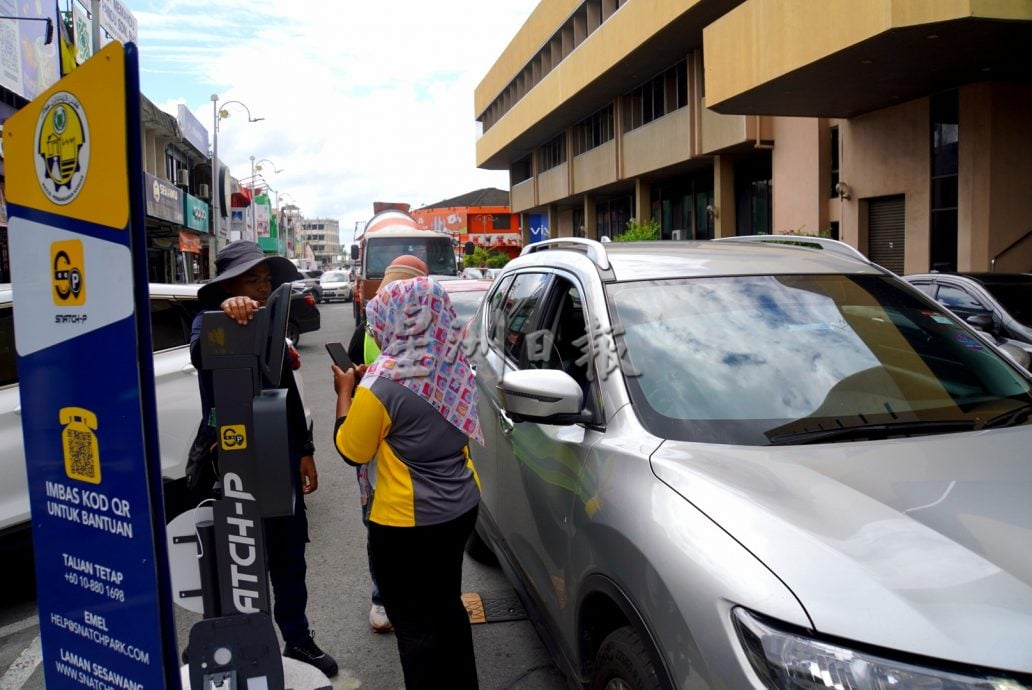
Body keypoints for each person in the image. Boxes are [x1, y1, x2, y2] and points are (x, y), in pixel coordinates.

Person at [190, 240, 338, 678]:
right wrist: (230, 314)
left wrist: (306, 451)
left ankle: (298, 640)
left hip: (282, 456)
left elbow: (286, 391)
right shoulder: (209, 322)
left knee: (290, 555)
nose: (263, 286)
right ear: (227, 285)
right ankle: (246, 647)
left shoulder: (271, 322)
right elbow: (201, 353)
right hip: (234, 464)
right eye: (252, 279)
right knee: (240, 562)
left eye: (266, 279)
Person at [333, 276, 483, 689]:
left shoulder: (382, 386)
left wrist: (346, 392)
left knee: (415, 627)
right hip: (460, 508)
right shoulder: (455, 363)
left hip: (406, 526)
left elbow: (352, 450)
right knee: (447, 608)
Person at [346, 254, 429, 633]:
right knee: (386, 529)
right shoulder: (371, 331)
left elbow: (350, 448)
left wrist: (348, 393)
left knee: (388, 529)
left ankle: (394, 598)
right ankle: (387, 598)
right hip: (389, 450)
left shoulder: (434, 337)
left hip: (394, 454)